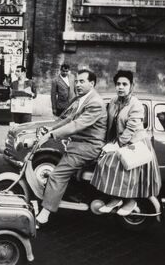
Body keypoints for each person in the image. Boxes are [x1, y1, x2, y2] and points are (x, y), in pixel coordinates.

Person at [35, 69, 107, 226]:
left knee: (57, 175)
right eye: (77, 81)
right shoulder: (83, 99)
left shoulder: (95, 103)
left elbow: (76, 125)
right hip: (79, 145)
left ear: (92, 83)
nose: (78, 84)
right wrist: (51, 129)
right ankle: (66, 195)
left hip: (88, 147)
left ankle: (44, 215)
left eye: (82, 81)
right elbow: (69, 118)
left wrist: (52, 136)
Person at [91, 70, 162, 215]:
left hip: (135, 144)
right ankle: (115, 199)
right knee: (104, 163)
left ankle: (130, 201)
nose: (120, 87)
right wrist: (106, 141)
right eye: (118, 84)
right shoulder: (113, 101)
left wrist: (116, 144)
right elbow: (109, 123)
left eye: (124, 84)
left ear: (131, 86)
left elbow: (131, 128)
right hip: (119, 141)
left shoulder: (135, 104)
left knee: (126, 170)